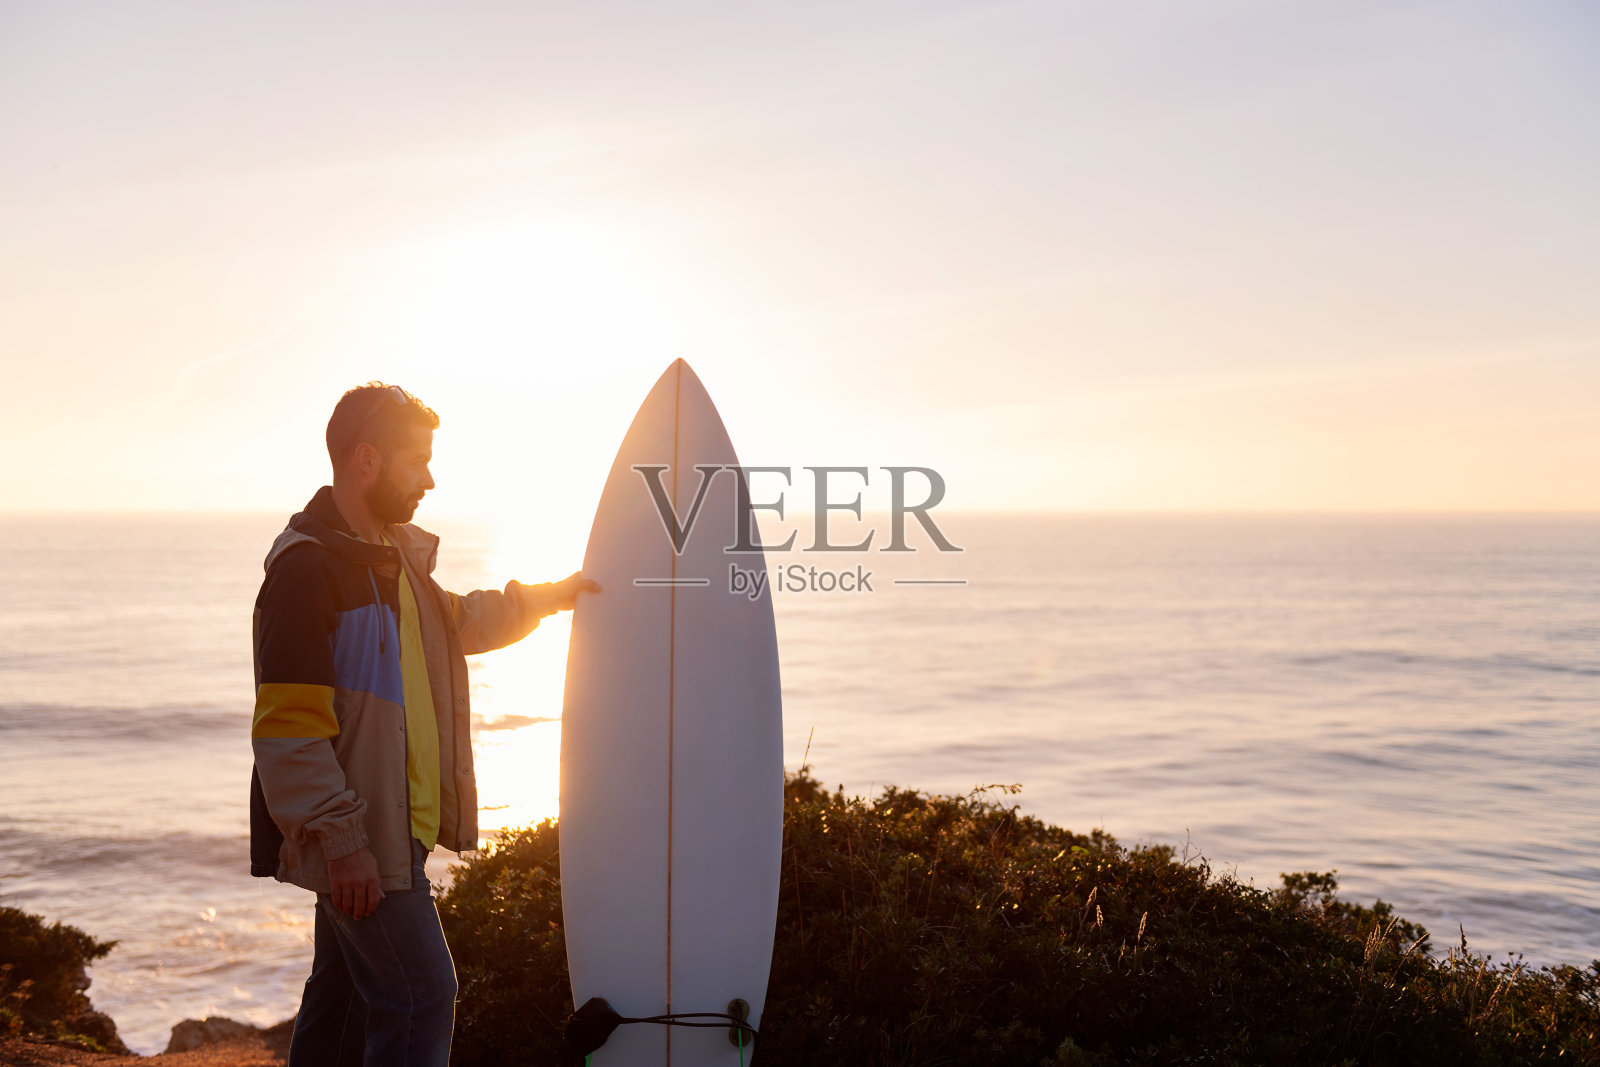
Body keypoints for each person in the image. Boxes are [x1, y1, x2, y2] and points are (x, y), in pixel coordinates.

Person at [248, 382, 598, 1066]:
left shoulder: (389, 559)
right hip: (364, 834)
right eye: (418, 461)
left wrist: (549, 598)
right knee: (422, 993)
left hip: (386, 825)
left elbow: (455, 622)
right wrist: (344, 839)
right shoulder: (308, 572)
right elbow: (289, 728)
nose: (430, 479)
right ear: (368, 461)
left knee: (344, 996)